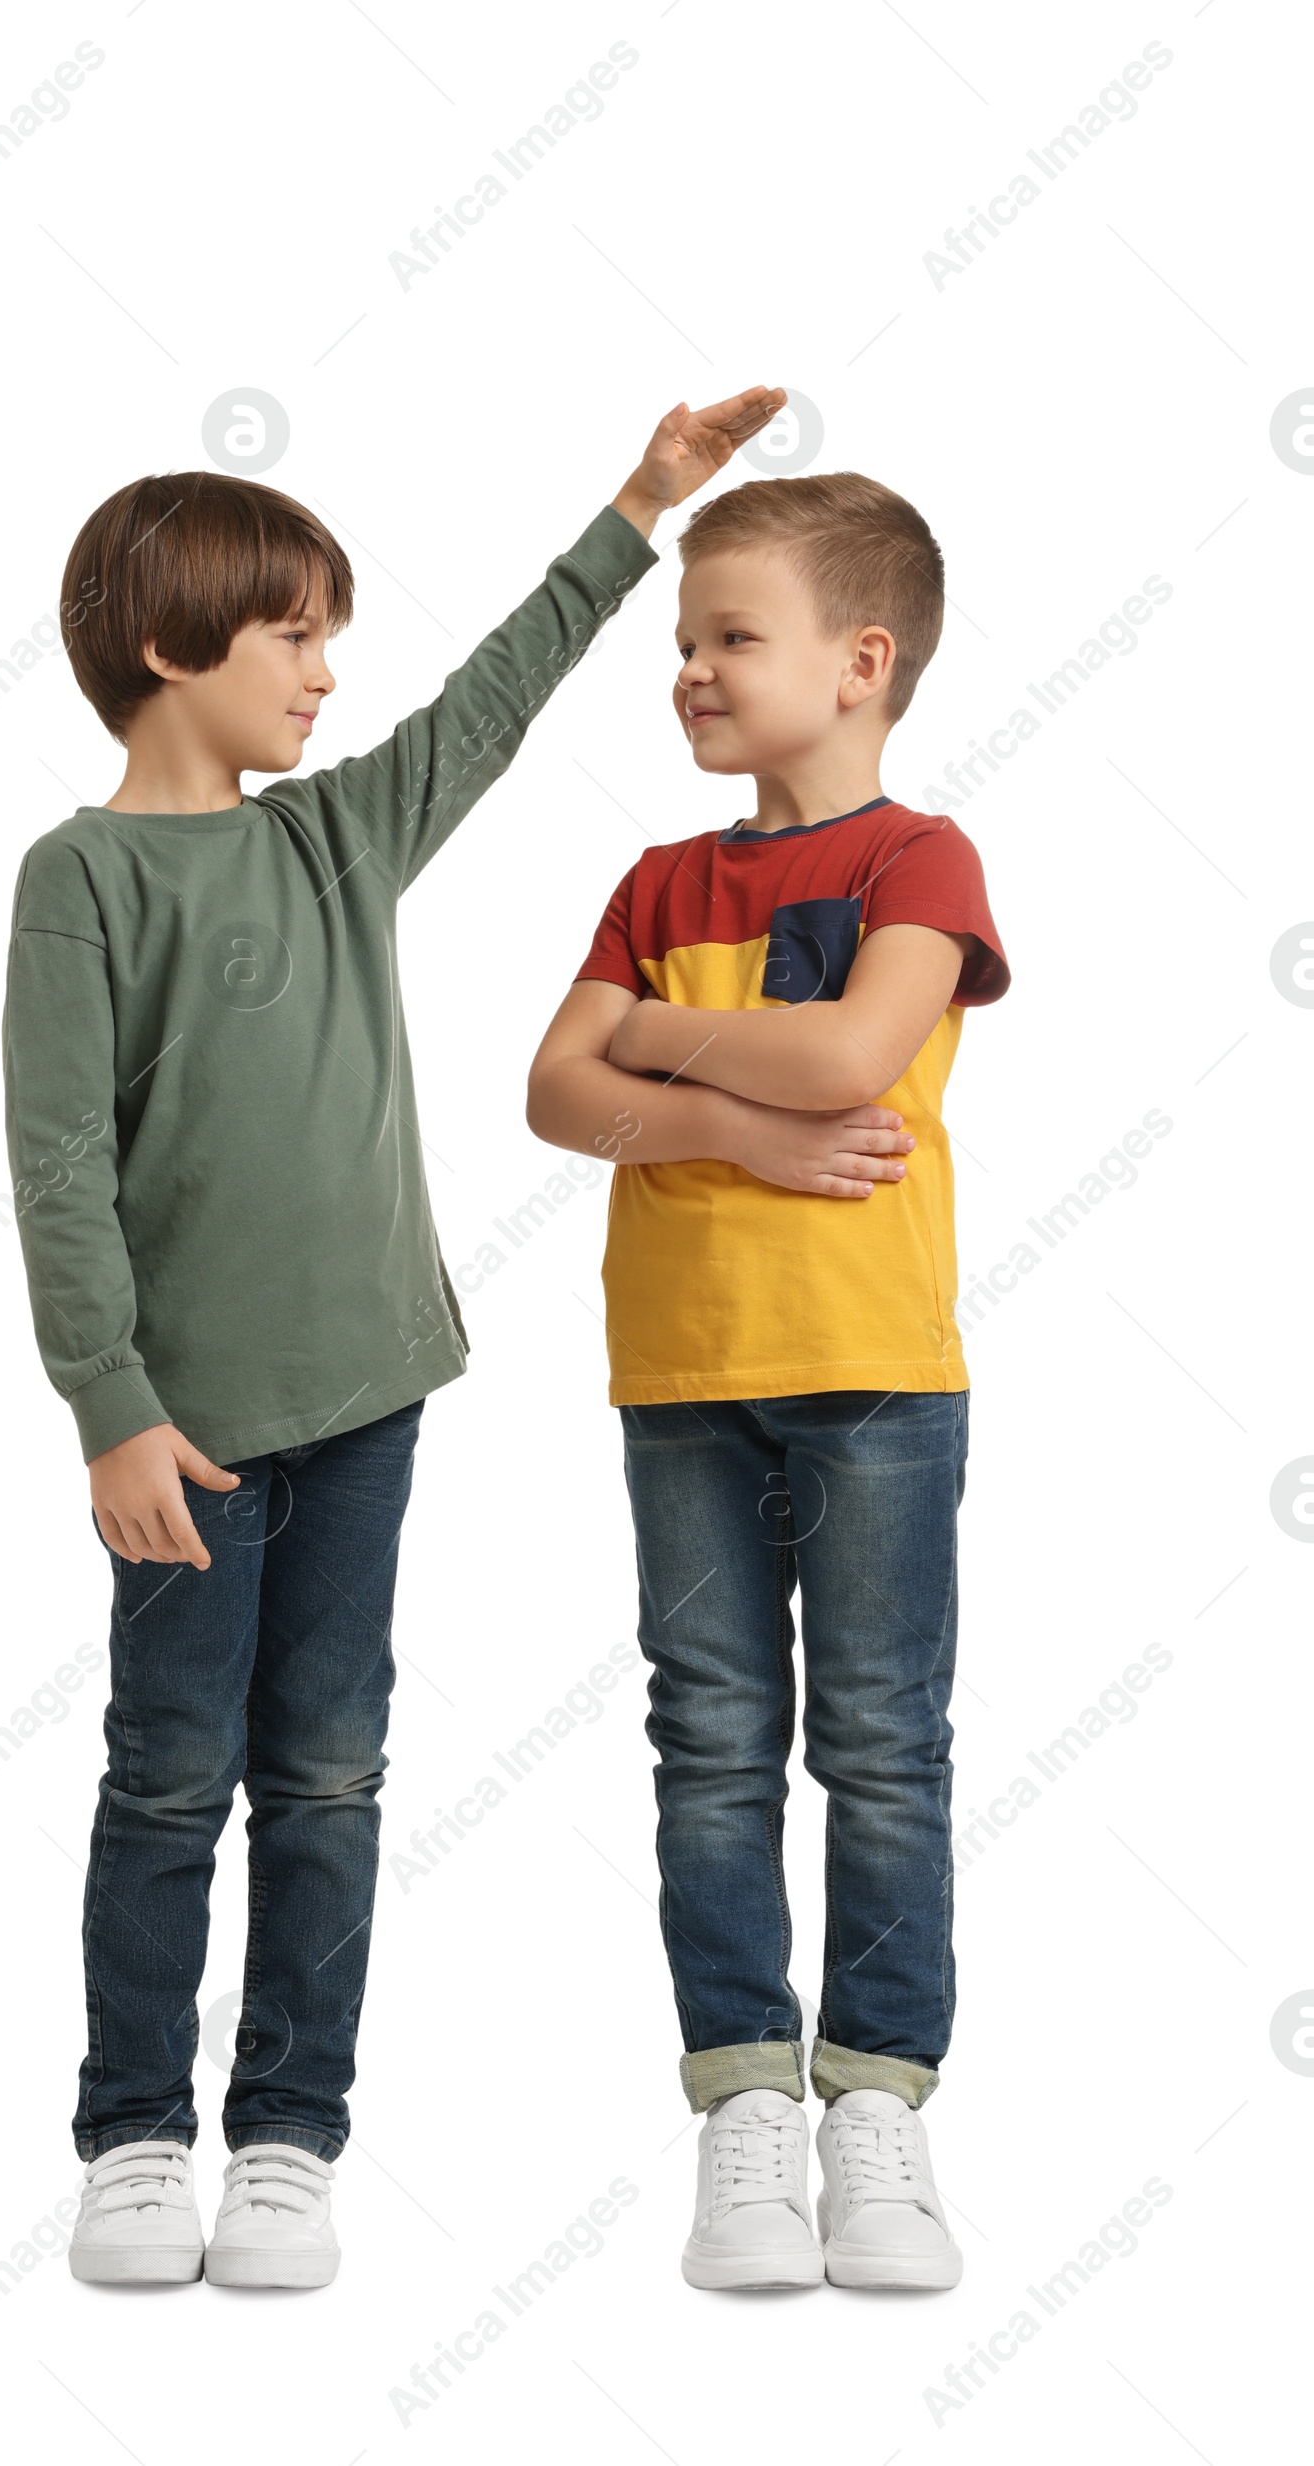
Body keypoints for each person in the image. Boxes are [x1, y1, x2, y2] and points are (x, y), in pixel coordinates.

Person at [2, 386, 784, 2286]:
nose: (329, 676)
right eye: (295, 636)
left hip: (367, 1399)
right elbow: (56, 1163)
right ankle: (129, 2132)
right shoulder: (81, 878)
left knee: (332, 1769)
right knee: (172, 1769)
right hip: (183, 1429)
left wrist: (638, 505)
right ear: (173, 643)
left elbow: (494, 701)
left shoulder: (338, 839)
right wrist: (111, 1407)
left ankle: (287, 2134)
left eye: (334, 639)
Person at [526, 469, 1009, 2290]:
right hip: (679, 1375)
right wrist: (731, 1102)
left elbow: (859, 1051)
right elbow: (549, 1093)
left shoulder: (921, 859)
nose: (692, 672)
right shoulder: (657, 878)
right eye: (683, 641)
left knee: (882, 1743)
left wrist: (653, 1037)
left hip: (878, 1372)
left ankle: (876, 2102)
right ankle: (745, 2099)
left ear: (860, 662)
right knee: (711, 1740)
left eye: (732, 637)